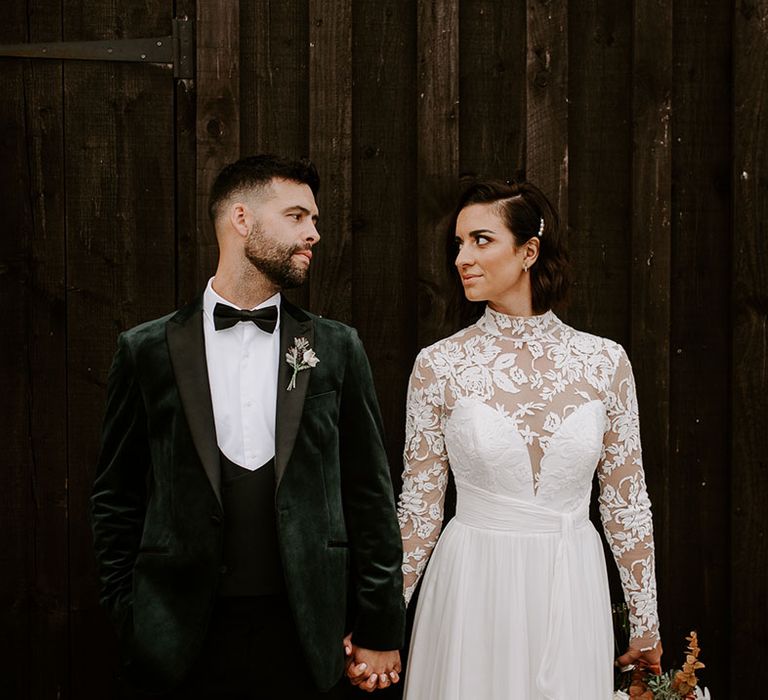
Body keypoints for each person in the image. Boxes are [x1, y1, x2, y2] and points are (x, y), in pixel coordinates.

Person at [90, 154, 404, 699]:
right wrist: (133, 614)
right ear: (242, 219)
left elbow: (370, 494)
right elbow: (115, 497)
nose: (314, 234)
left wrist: (379, 624)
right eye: (298, 216)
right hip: (179, 636)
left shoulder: (335, 347)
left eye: (315, 220)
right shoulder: (145, 350)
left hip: (309, 634)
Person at [395, 179, 662, 699]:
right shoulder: (439, 365)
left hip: (572, 585)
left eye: (480, 240)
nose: (461, 258)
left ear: (529, 251)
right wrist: (382, 624)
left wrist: (645, 622)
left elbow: (626, 506)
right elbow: (418, 512)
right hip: (473, 584)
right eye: (458, 245)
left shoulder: (605, 363)